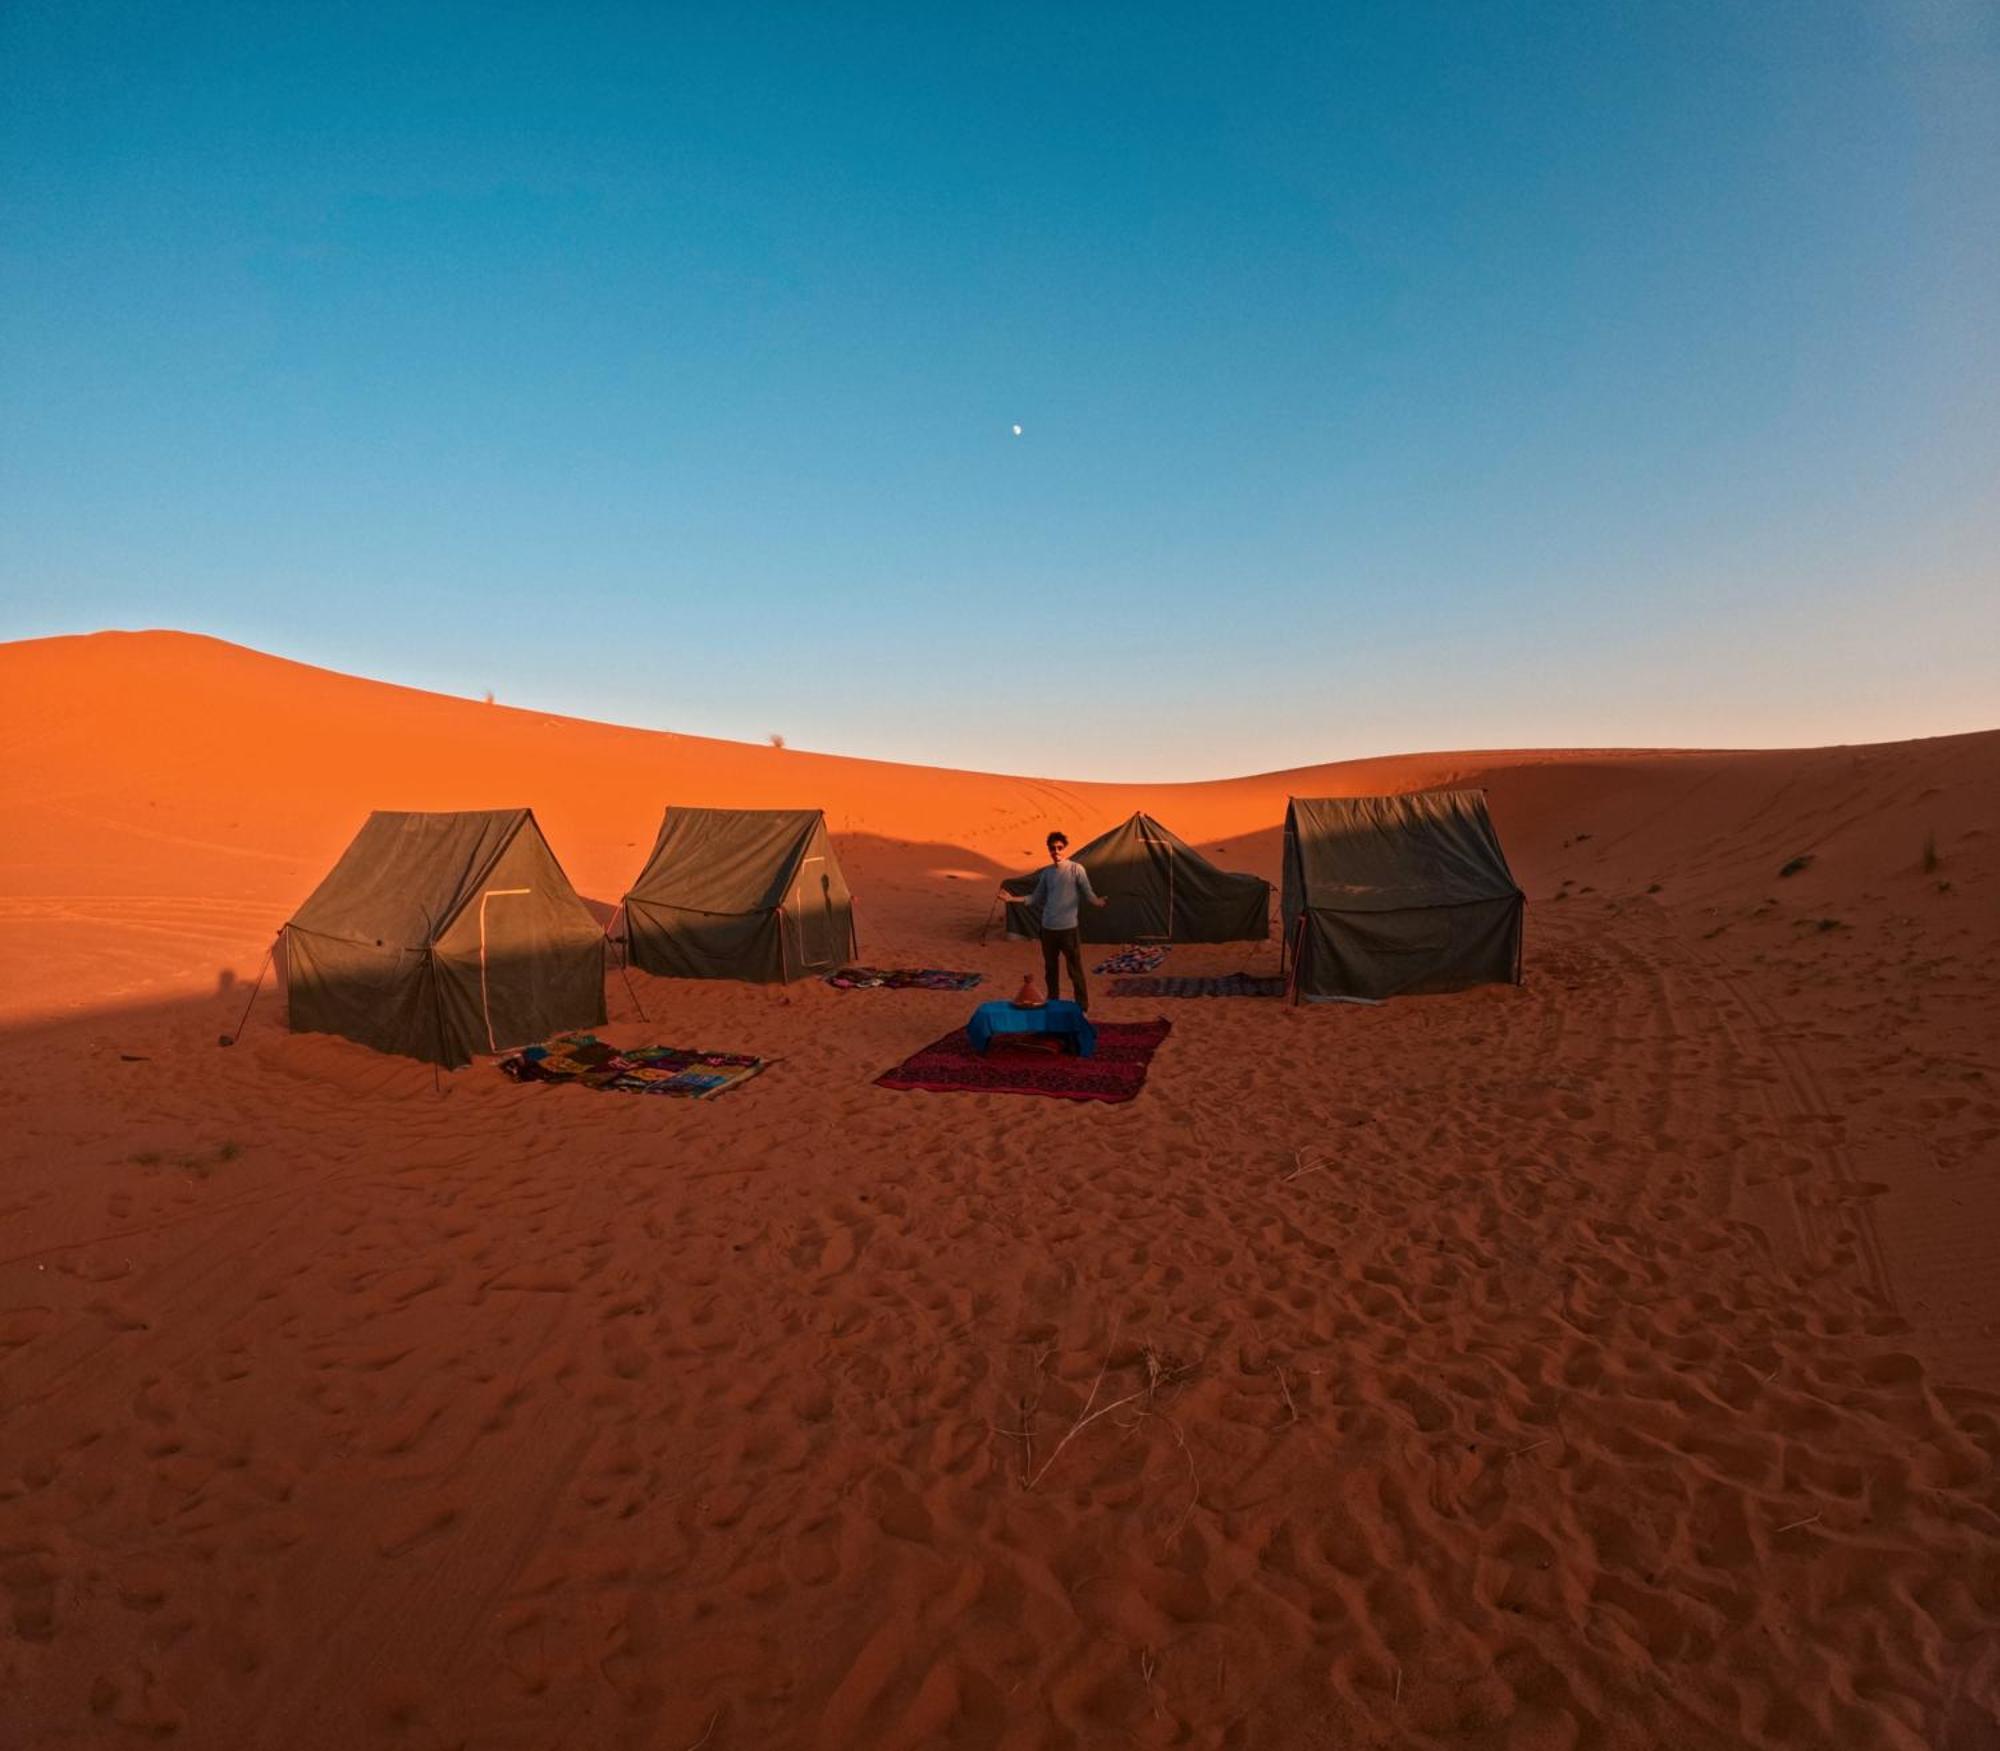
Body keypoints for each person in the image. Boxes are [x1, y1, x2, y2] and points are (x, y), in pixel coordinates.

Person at [1007, 831, 1108, 1010]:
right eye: (1053, 848)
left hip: (1068, 930)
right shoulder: (1047, 873)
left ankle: (1082, 1007)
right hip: (1048, 930)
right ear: (1049, 850)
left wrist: (1098, 902)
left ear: (1065, 848)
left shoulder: (1077, 869)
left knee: (1075, 970)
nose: (1056, 851)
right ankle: (1053, 1004)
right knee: (1051, 971)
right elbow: (1036, 897)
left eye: (1059, 848)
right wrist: (1012, 899)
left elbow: (1088, 892)